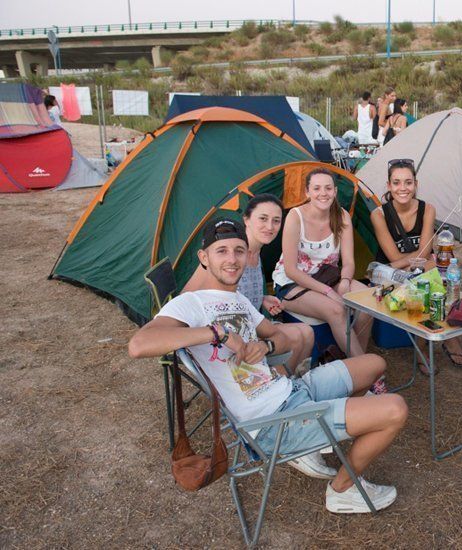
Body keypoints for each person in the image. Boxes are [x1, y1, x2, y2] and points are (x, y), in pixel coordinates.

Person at [129, 218, 407, 513]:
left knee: (374, 363)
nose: (232, 259)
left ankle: (331, 432)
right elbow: (139, 345)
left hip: (291, 391)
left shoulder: (237, 300)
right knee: (394, 409)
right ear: (204, 258)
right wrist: (218, 333)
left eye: (238, 250)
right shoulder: (190, 304)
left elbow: (278, 337)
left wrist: (266, 346)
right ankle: (343, 489)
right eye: (221, 251)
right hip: (273, 424)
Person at [183, 194, 315, 377]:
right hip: (231, 331)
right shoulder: (228, 256)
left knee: (307, 332)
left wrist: (262, 298)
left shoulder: (256, 252)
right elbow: (186, 295)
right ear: (246, 220)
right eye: (263, 218)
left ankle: (288, 382)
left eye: (276, 221)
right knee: (297, 337)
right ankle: (276, 384)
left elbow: (238, 292)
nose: (270, 227)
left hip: (252, 321)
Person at [370, 158, 462, 370]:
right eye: (396, 183)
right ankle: (426, 345)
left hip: (417, 269)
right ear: (389, 186)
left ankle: (434, 338)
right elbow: (394, 257)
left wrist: (417, 261)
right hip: (390, 275)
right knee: (428, 275)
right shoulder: (378, 215)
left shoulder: (428, 209)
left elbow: (424, 254)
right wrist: (416, 261)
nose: (402, 188)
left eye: (408, 182)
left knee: (432, 274)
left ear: (416, 184)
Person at [272, 168, 374, 358]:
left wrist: (344, 282)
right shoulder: (296, 217)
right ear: (307, 192)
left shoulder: (341, 216)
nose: (323, 193)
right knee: (336, 310)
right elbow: (291, 270)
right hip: (293, 283)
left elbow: (349, 261)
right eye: (316, 188)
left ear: (335, 191)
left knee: (367, 304)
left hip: (328, 277)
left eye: (328, 188)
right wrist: (328, 293)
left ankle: (351, 358)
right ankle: (363, 367)